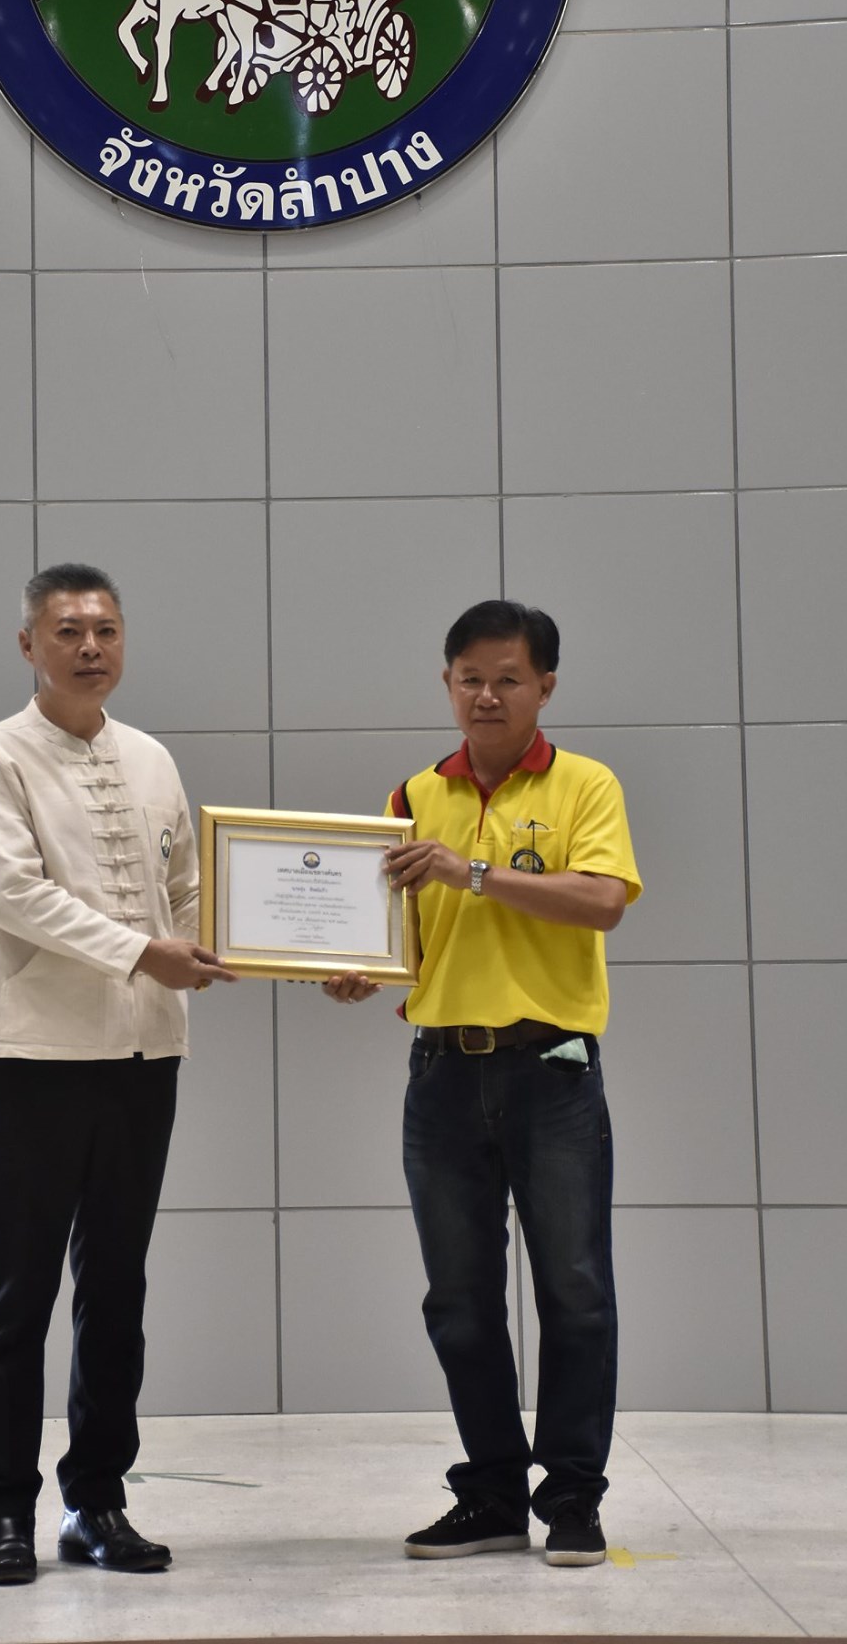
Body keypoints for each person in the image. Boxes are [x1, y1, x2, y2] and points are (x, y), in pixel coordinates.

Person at [325, 599, 640, 1568]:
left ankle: (573, 1496)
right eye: (470, 678)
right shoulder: (415, 793)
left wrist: (473, 871)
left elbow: (601, 900)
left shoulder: (585, 783)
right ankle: (494, 1494)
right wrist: (357, 968)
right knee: (459, 1300)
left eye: (508, 679)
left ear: (546, 685)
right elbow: (402, 940)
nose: (487, 696)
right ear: (447, 683)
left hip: (552, 1070)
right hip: (442, 1074)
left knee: (574, 1291)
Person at [0, 562, 235, 1586]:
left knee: (117, 1288)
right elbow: (15, 894)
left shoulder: (151, 757)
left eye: (106, 629)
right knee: (18, 1292)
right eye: (67, 630)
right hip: (34, 1055)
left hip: (145, 1053)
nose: (89, 647)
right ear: (29, 644)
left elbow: (186, 886)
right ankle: (2, 1514)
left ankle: (97, 1501)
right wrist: (143, 950)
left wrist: (236, 943)